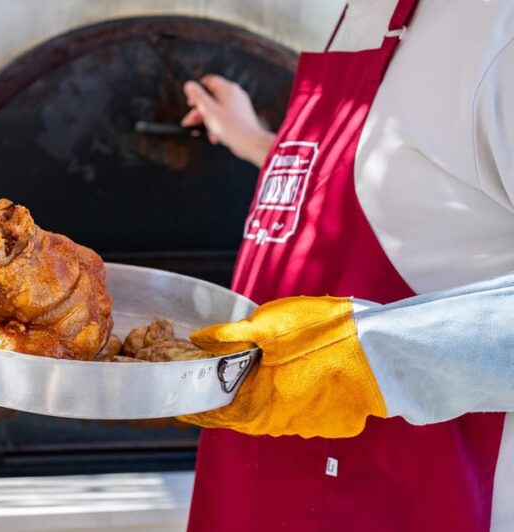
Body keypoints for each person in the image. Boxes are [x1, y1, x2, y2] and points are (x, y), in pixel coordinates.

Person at [178, 0, 514, 530]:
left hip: (401, 501)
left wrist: (367, 359)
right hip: (256, 484)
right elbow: (427, 191)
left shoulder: (500, 34)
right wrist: (261, 144)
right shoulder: (356, 15)